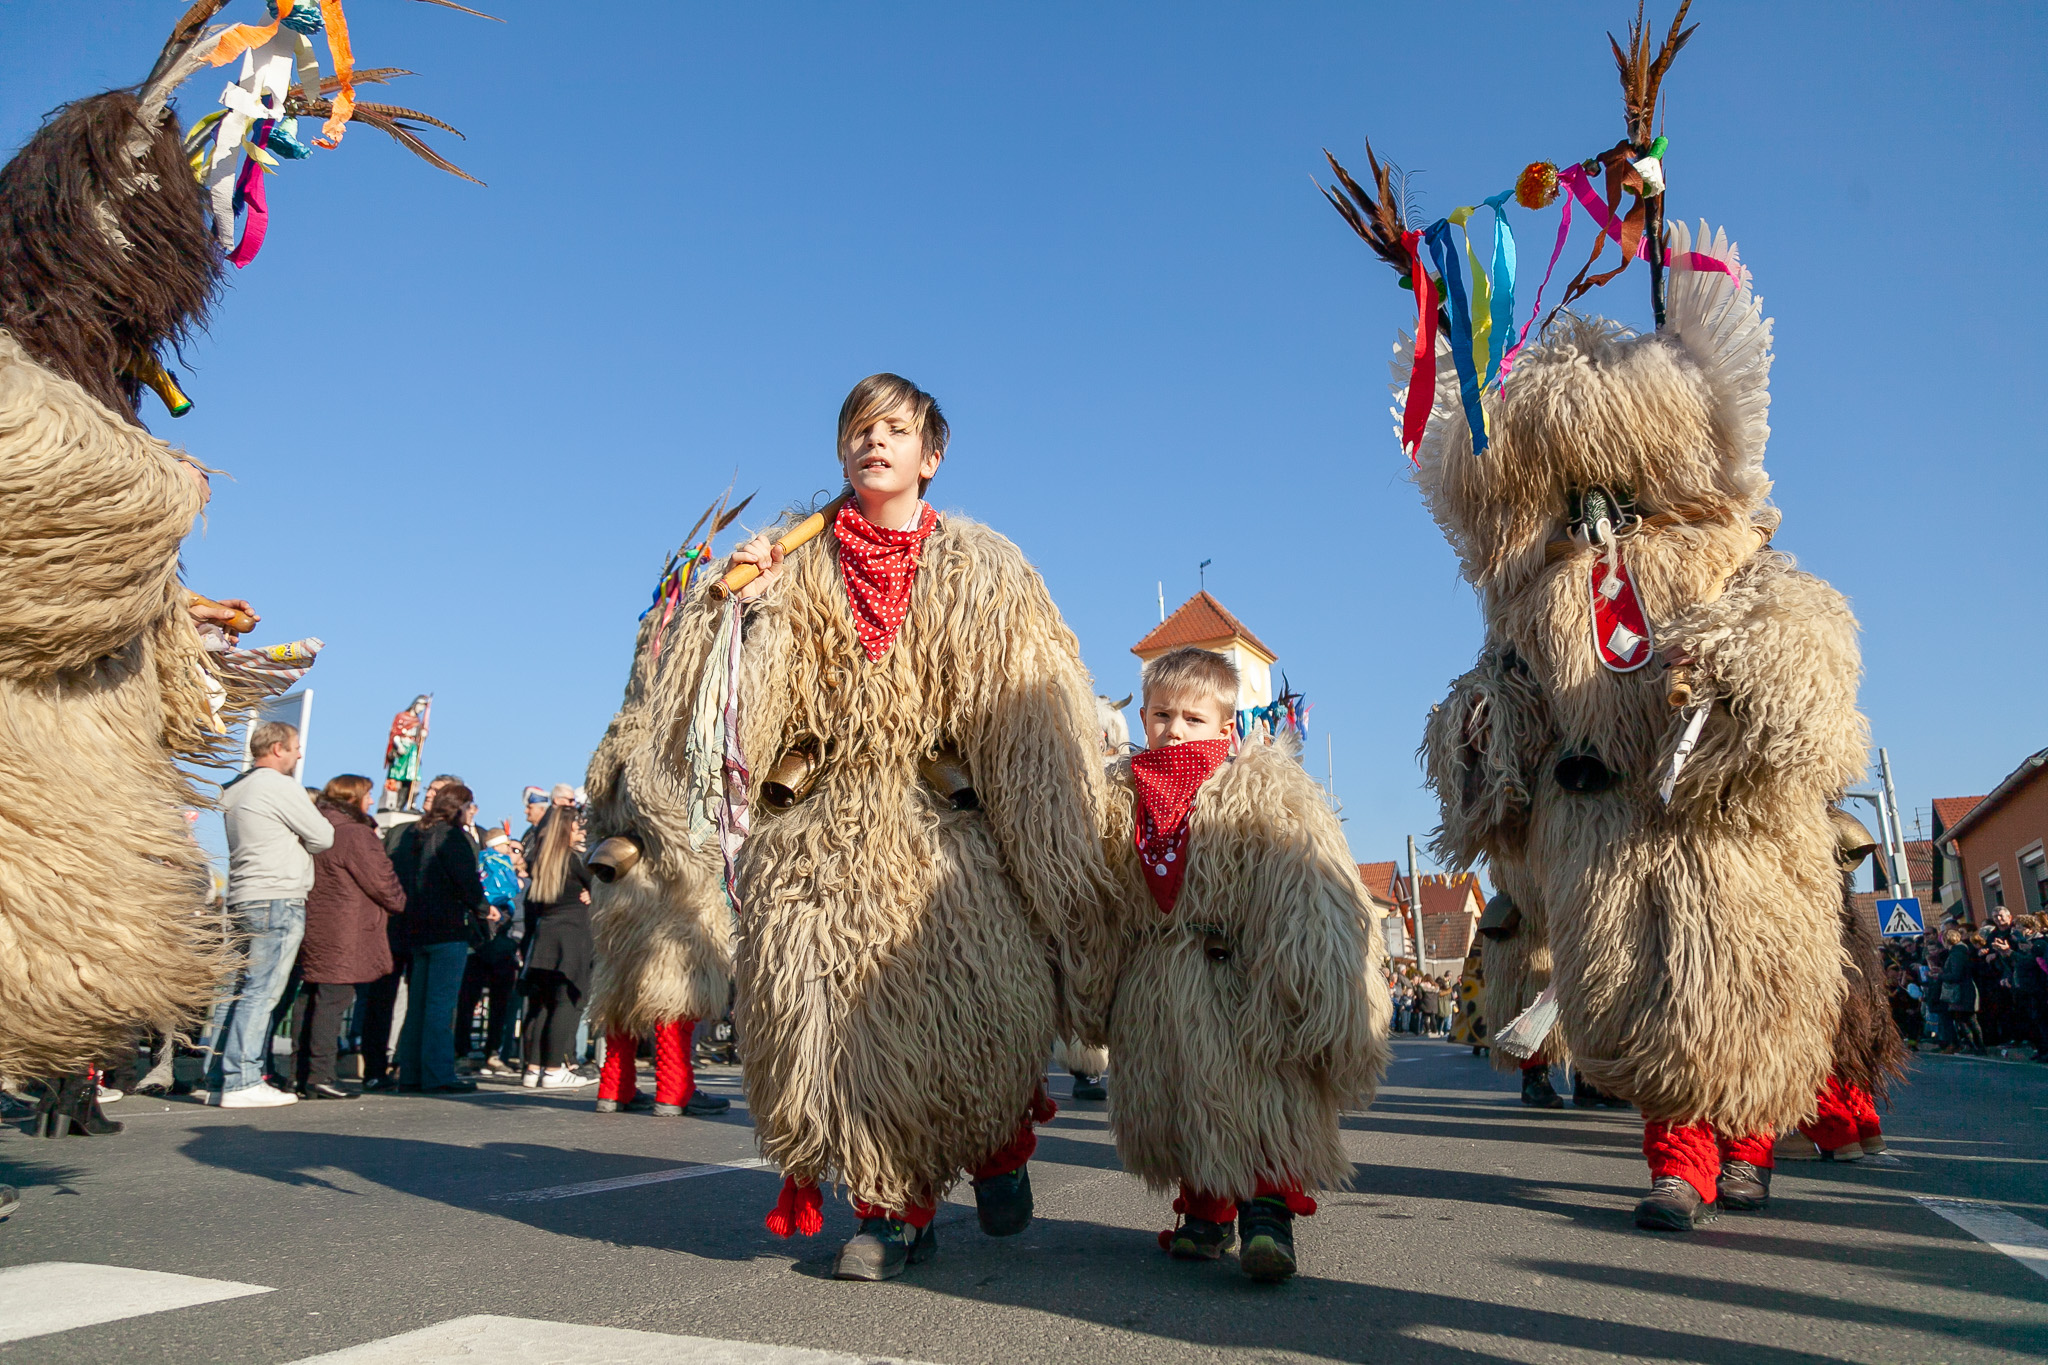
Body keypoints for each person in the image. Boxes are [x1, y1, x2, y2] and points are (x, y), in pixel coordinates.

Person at [622, 373, 1112, 1283]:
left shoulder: (984, 568)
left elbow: (1032, 716)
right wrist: (734, 610)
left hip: (947, 835)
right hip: (823, 837)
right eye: (858, 430)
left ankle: (999, 1142)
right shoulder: (795, 565)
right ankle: (890, 1208)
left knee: (978, 1014)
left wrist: (1050, 846)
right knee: (841, 1031)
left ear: (933, 454)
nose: (873, 442)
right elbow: (721, 715)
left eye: (894, 429)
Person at [1083, 647, 1388, 1283]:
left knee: (1257, 1094)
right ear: (1142, 718)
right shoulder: (1119, 796)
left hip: (1238, 975)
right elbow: (1100, 896)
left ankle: (1267, 1218)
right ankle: (1202, 1211)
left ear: (1226, 727)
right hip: (1156, 980)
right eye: (1162, 715)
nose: (1175, 729)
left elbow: (1306, 880)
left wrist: (1305, 975)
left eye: (1193, 718)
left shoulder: (1262, 788)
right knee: (1181, 1096)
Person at [205, 722, 333, 1108]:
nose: (298, 754)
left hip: (242, 894)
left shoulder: (236, 788)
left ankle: (216, 1078)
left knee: (234, 990)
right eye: (295, 748)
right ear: (277, 749)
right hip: (277, 894)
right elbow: (323, 836)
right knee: (262, 991)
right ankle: (243, 1078)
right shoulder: (278, 786)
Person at [294, 775, 405, 1098]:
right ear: (354, 798)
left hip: (313, 922)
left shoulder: (315, 828)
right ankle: (322, 1074)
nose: (372, 801)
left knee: (310, 997)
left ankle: (299, 1074)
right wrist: (400, 901)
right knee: (334, 1000)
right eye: (368, 796)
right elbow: (382, 881)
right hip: (346, 928)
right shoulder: (355, 834)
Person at [388, 784, 486, 1093]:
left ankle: (412, 1073)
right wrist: (482, 909)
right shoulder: (453, 837)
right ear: (460, 807)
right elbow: (466, 881)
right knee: (441, 1006)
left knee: (418, 1006)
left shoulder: (414, 834)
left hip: (416, 927)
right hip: (447, 927)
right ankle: (438, 1074)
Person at [519, 805, 596, 1089]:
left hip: (544, 938)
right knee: (567, 1004)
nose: (580, 829)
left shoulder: (541, 862)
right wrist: (593, 891)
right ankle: (553, 1070)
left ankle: (533, 1067)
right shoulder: (575, 861)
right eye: (576, 826)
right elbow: (603, 887)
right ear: (567, 829)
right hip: (572, 939)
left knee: (541, 1007)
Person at [459, 828, 524, 1075]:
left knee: (476, 1001)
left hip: (483, 943)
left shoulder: (485, 868)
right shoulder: (499, 870)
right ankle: (486, 1052)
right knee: (486, 1003)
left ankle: (472, 1051)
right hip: (494, 943)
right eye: (509, 846)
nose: (511, 851)